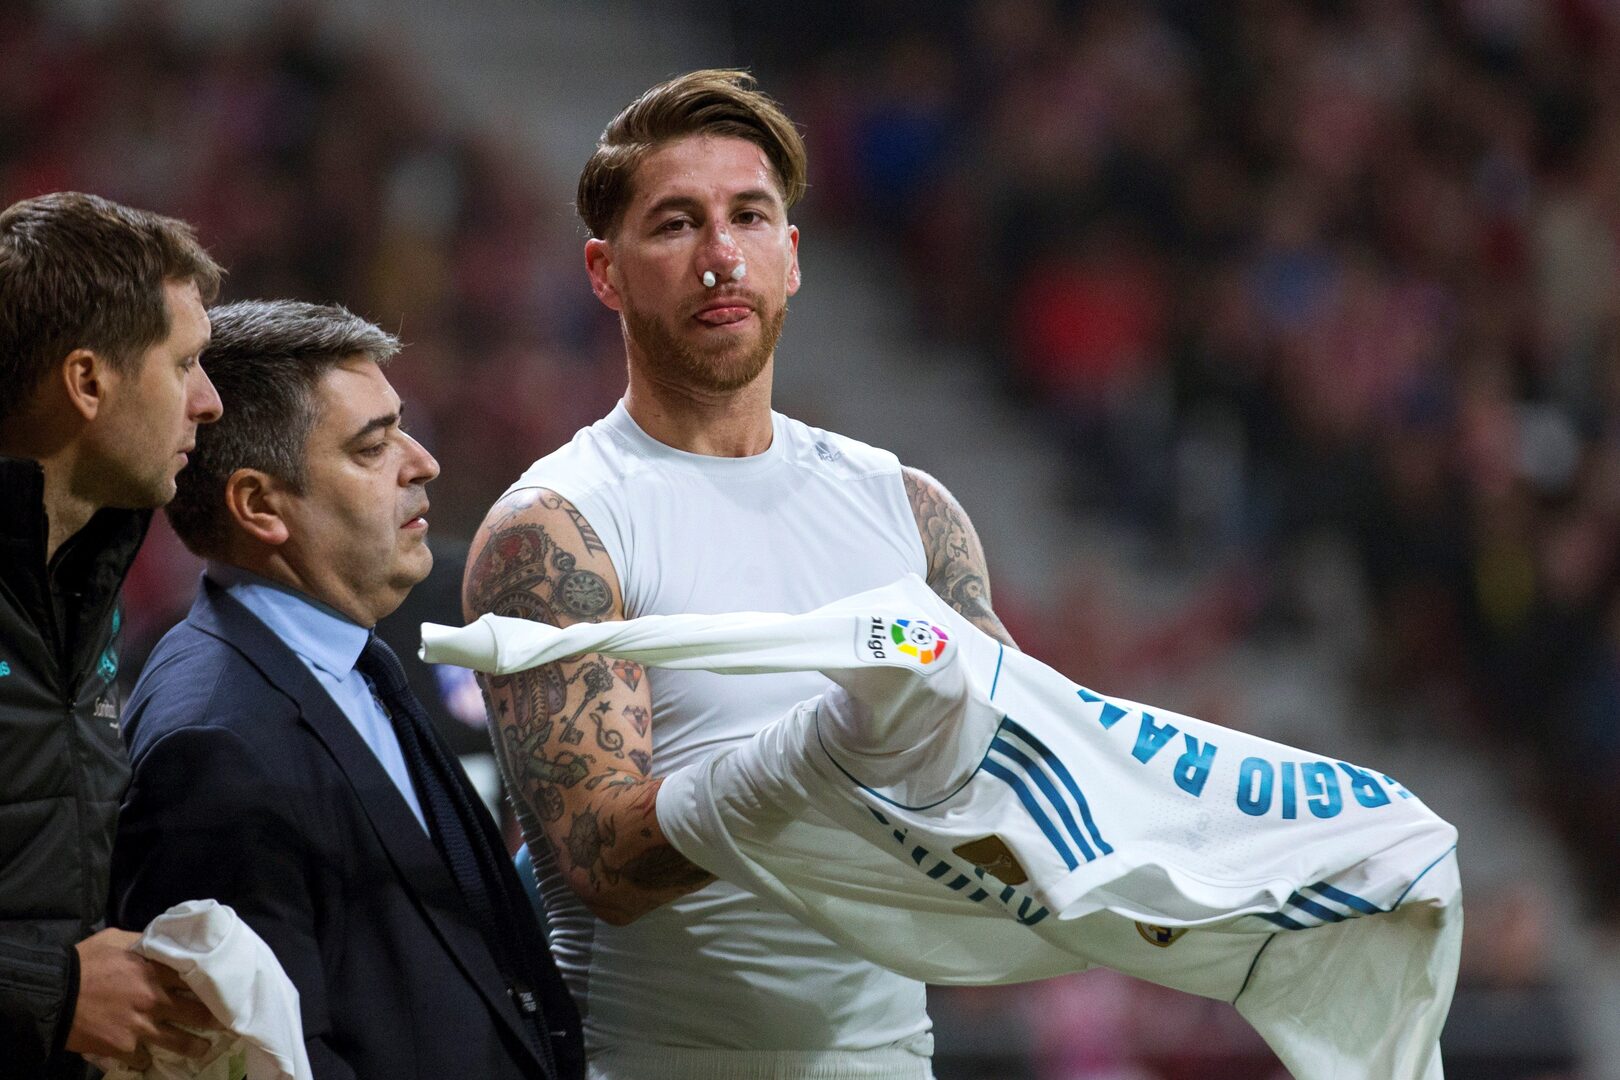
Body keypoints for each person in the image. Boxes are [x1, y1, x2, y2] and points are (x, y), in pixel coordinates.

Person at [463, 70, 1015, 1079]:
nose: (721, 257)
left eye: (749, 218)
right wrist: (828, 748)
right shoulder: (556, 531)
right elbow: (606, 865)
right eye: (677, 224)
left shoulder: (912, 510)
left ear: (791, 257)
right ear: (604, 272)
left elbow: (1011, 784)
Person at [107, 300, 584, 1079]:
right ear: (260, 505)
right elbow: (274, 1058)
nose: (421, 462)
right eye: (372, 447)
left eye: (403, 428)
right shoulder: (215, 744)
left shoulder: (348, 659)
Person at [0, 191, 226, 1079]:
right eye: (186, 364)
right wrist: (51, 994)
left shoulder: (79, 584)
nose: (208, 402)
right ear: (88, 382)